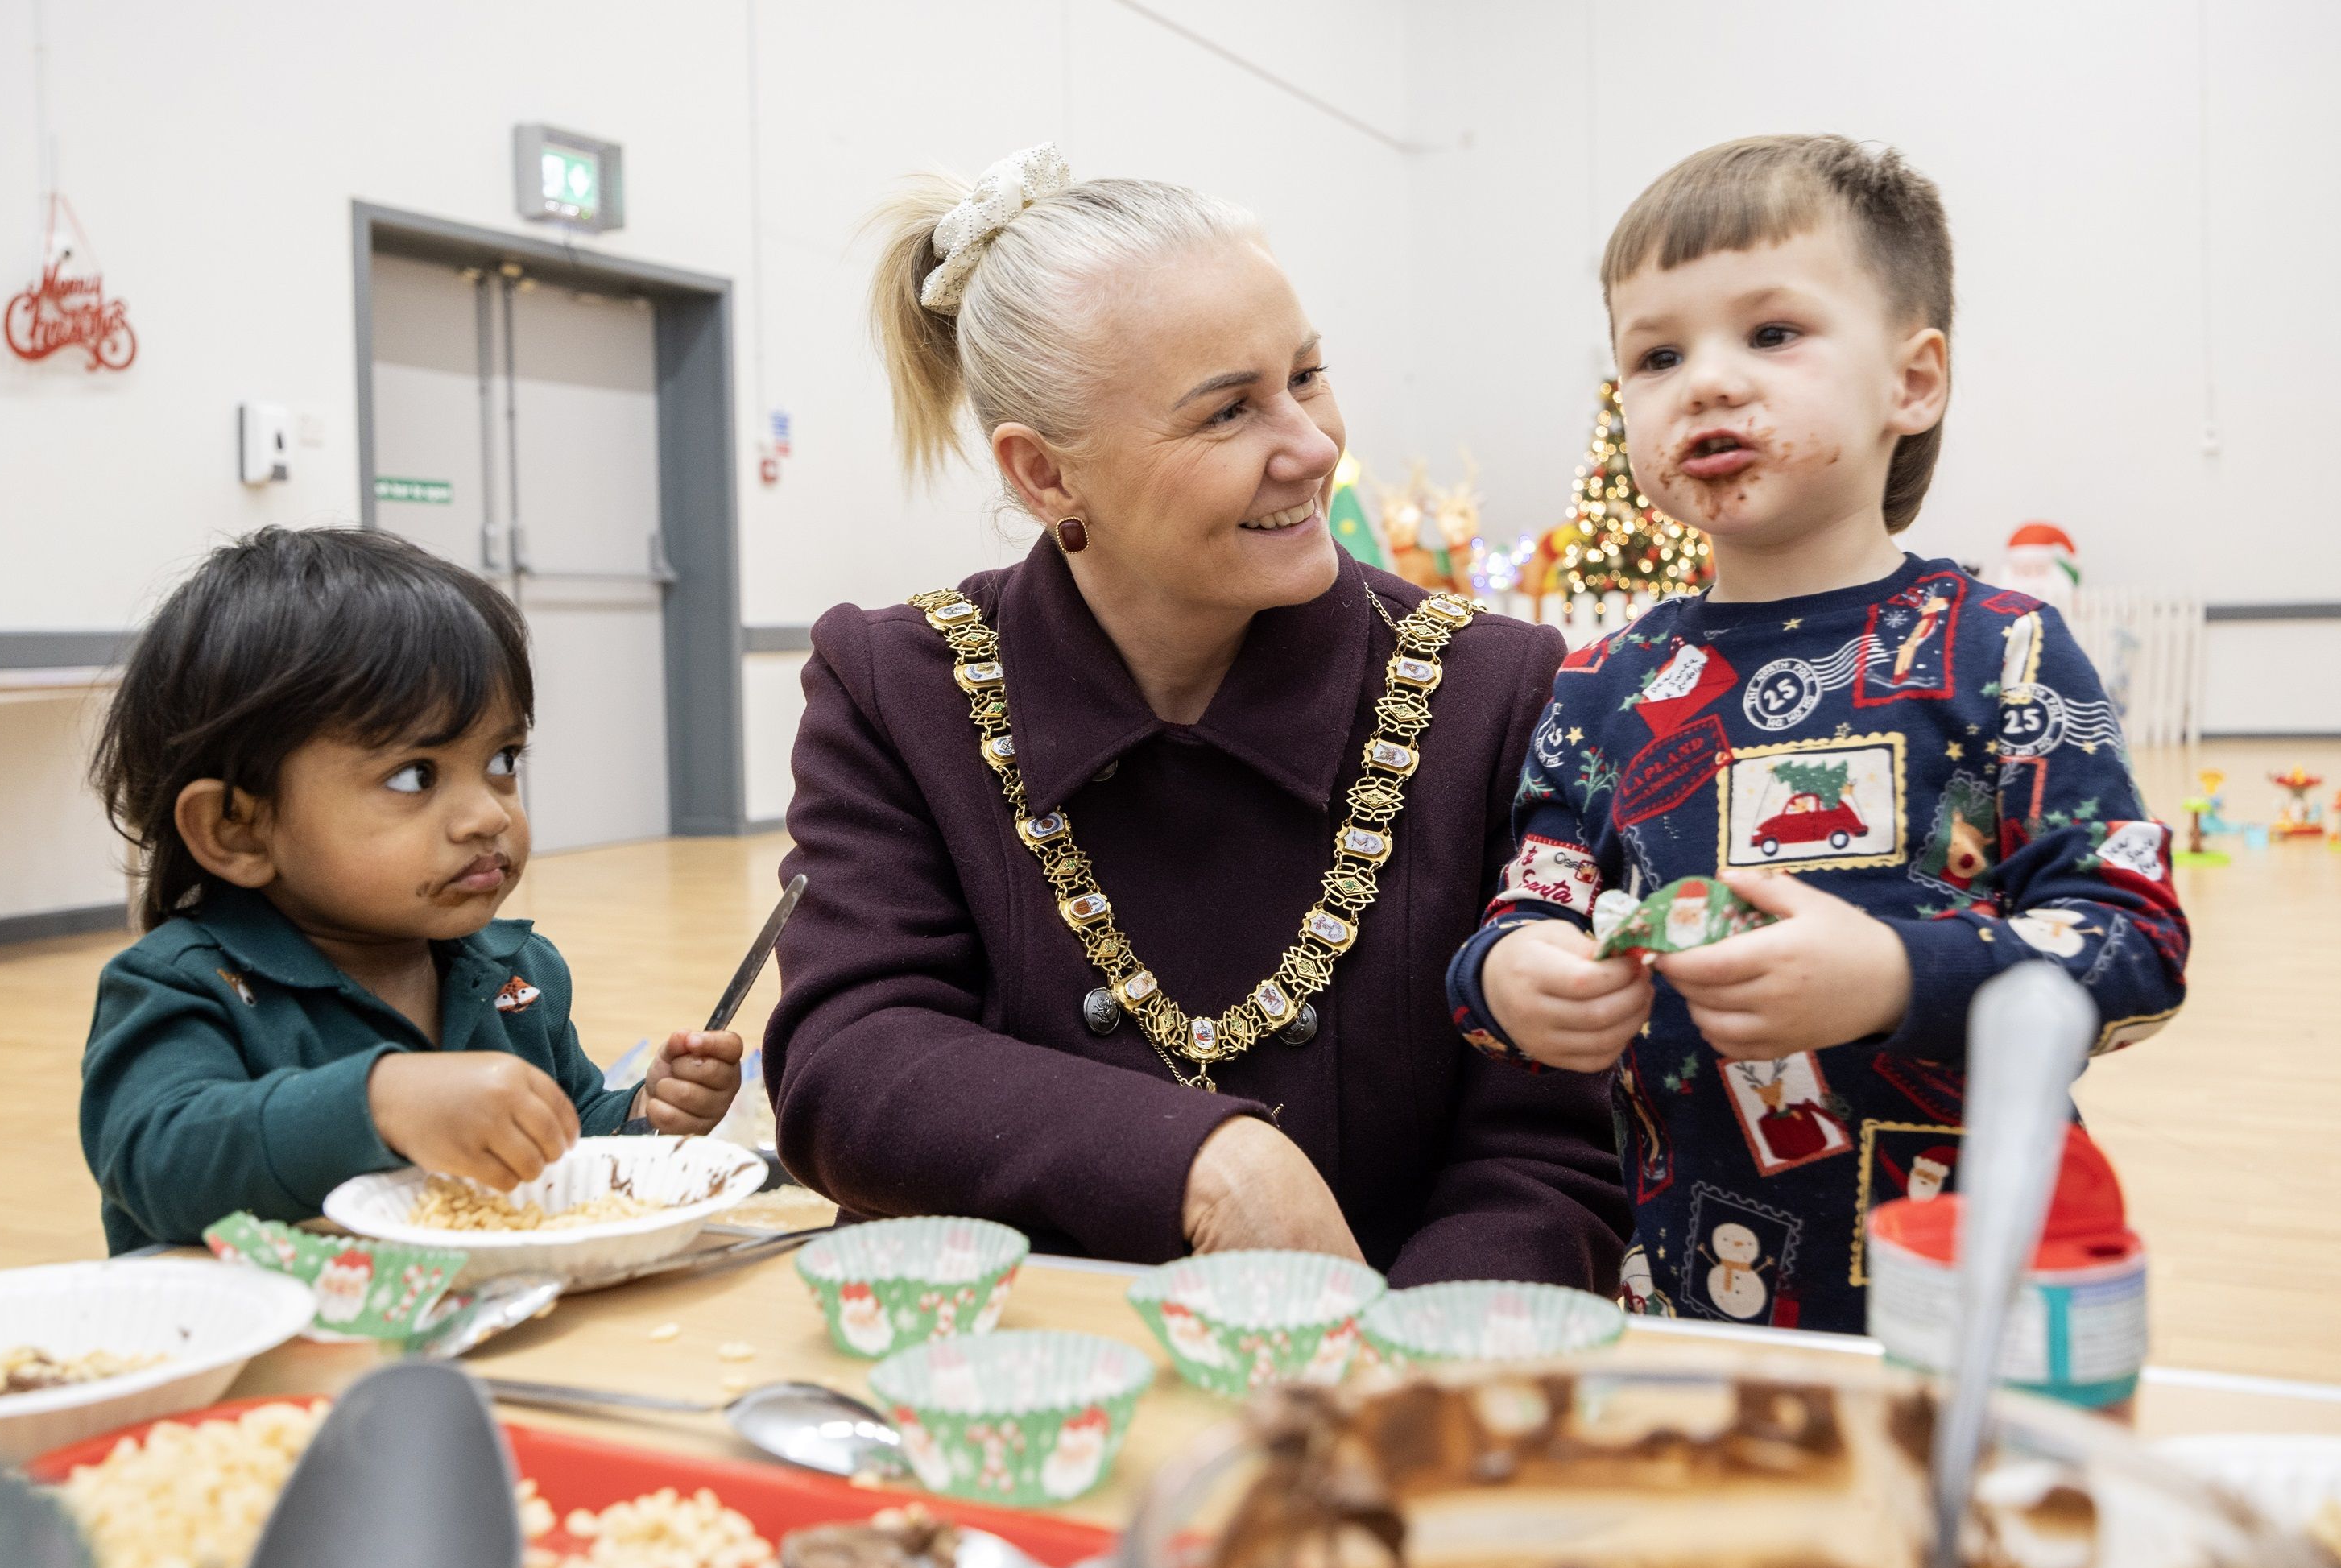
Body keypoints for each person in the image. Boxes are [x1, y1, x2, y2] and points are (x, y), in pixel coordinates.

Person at [762, 145, 1628, 1285]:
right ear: (1047, 477)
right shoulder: (899, 686)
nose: (1315, 447)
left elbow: (1546, 1157)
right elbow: (854, 1069)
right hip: (1011, 1375)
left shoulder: (1491, 689)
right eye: (1228, 412)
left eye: (1307, 376)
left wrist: (1406, 1381)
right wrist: (1206, 1164)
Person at [1447, 135, 2189, 1333]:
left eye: (1773, 333)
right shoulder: (1602, 688)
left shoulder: (2003, 652)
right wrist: (1510, 977)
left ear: (1915, 381)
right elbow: (1525, 910)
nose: (1708, 381)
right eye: (1657, 354)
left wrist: (1897, 973)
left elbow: (2136, 945)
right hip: (1682, 1298)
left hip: (1973, 1294)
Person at [81, 527, 742, 1251]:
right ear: (238, 828)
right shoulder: (182, 988)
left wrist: (644, 1116)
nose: (490, 813)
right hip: (269, 1350)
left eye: (502, 758)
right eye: (414, 776)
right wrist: (381, 1102)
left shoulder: (516, 974)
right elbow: (161, 1162)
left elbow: (566, 1145)